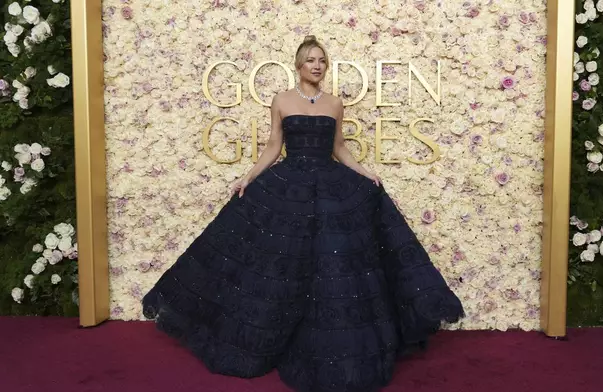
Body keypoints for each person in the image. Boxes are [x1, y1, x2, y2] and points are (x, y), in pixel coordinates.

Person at [142, 35, 464, 392]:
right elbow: (273, 146)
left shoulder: (335, 103)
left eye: (322, 61)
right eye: (311, 60)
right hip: (289, 185)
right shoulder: (282, 100)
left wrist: (365, 172)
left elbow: (339, 147)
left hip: (329, 188)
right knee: (277, 263)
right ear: (298, 65)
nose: (317, 65)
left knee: (334, 264)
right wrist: (247, 177)